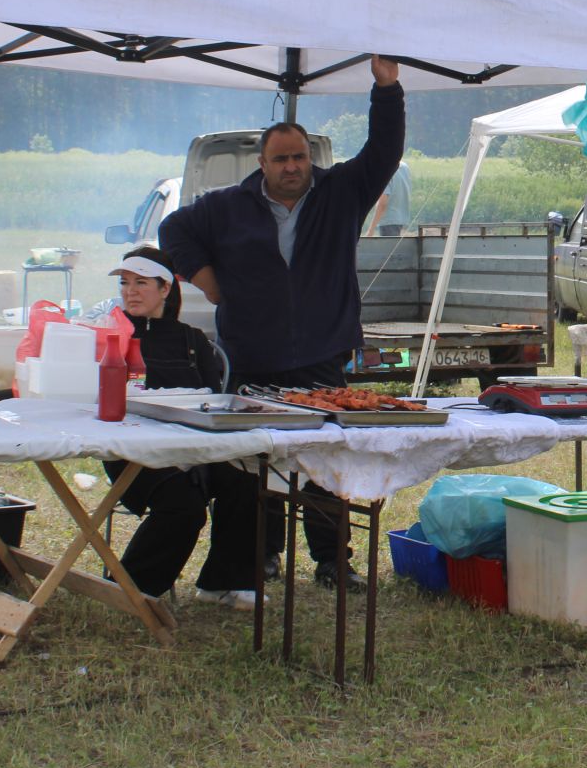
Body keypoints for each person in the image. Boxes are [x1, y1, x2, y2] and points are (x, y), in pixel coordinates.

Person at [159, 55, 404, 591]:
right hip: (252, 355)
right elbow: (172, 228)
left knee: (322, 464)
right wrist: (205, 279)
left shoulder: (343, 192)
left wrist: (386, 88)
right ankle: (262, 555)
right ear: (262, 163)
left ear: (309, 159)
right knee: (254, 462)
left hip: (321, 354)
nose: (292, 166)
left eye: (299, 157)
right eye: (280, 159)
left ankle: (333, 561)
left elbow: (384, 152)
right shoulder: (225, 206)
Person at [101, 247, 266, 611]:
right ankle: (131, 591)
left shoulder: (193, 340)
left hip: (193, 447)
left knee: (246, 481)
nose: (130, 291)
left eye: (141, 283)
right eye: (126, 283)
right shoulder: (110, 335)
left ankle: (225, 582)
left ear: (165, 289)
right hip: (133, 450)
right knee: (185, 505)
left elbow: (212, 402)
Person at [368, 161, 413, 236]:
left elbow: (382, 203)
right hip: (402, 219)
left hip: (388, 222)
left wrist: (371, 230)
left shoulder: (384, 169)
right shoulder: (404, 166)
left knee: (390, 247)